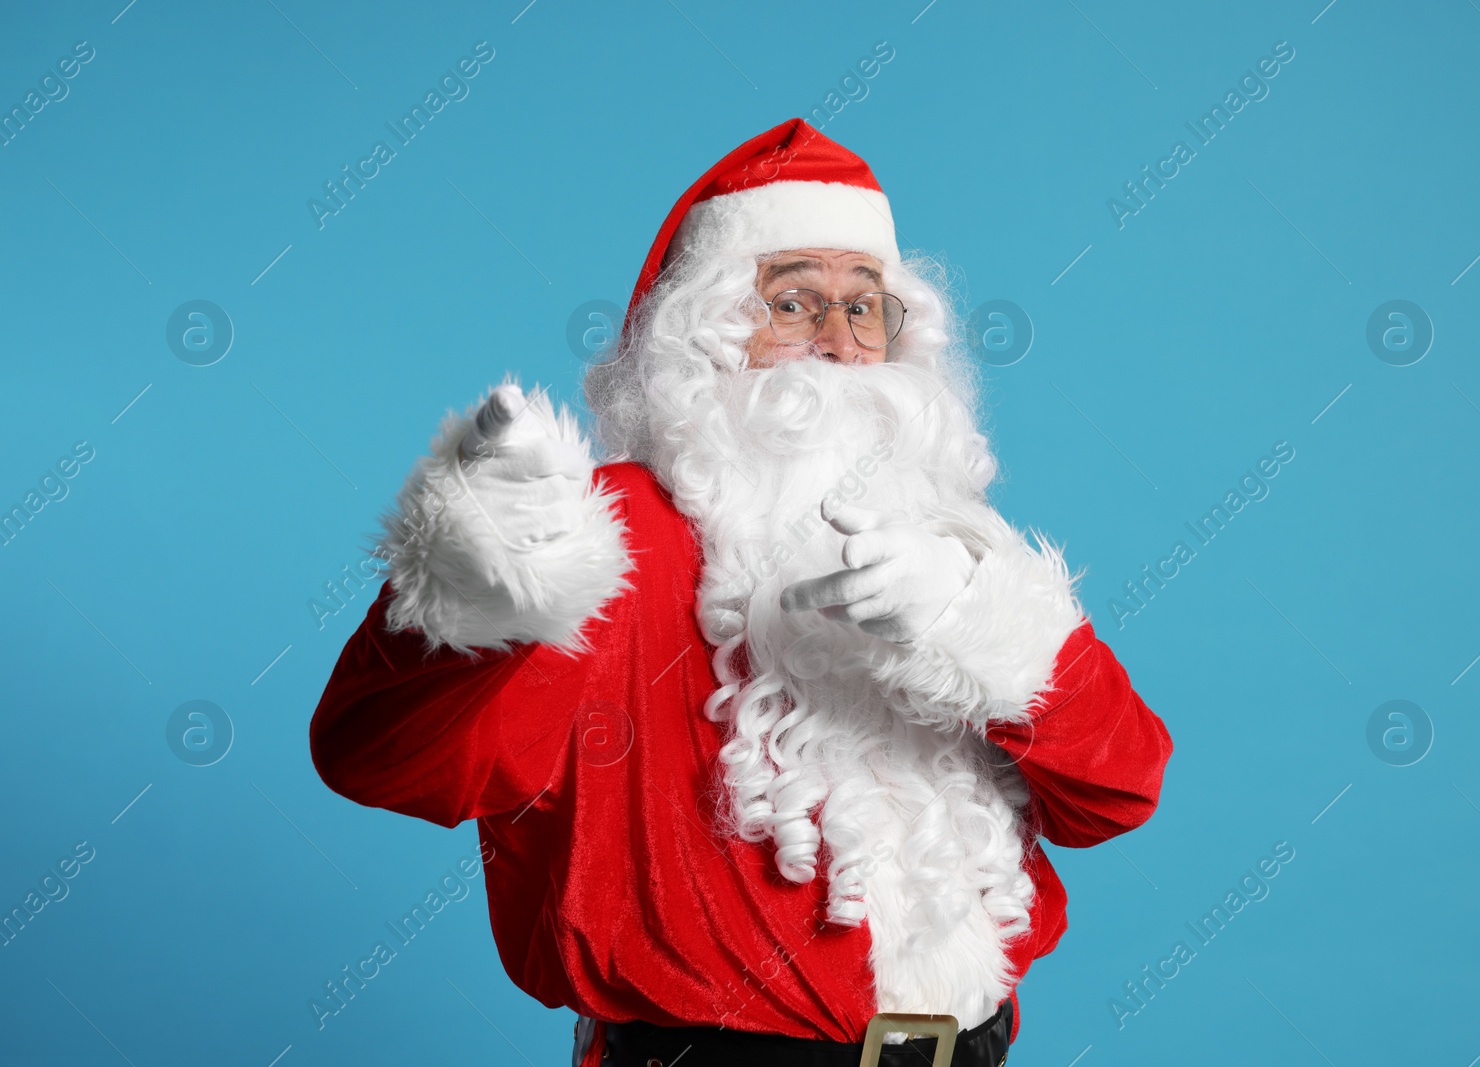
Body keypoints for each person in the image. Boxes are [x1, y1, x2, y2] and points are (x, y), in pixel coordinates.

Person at [310, 118, 1173, 1067]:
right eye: (794, 302)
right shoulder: (613, 534)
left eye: (865, 307)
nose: (840, 344)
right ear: (707, 335)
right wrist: (482, 585)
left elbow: (1119, 792)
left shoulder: (959, 543)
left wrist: (981, 626)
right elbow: (382, 758)